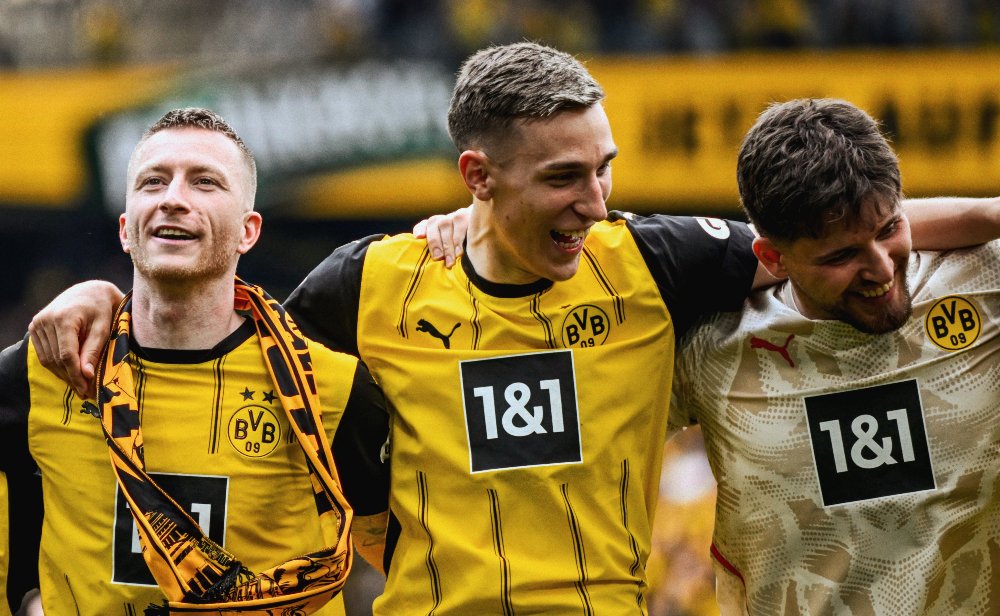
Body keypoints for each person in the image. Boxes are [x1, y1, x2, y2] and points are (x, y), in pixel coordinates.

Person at [24, 45, 997, 613]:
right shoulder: (368, 283)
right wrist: (103, 298)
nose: (598, 201)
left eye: (604, 168)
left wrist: (978, 217)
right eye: (565, 179)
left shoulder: (654, 261)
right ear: (478, 180)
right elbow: (221, 336)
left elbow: (823, 238)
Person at [0, 108, 390, 615]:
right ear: (125, 228)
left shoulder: (330, 390)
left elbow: (418, 557)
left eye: (205, 182)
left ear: (249, 231)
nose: (173, 198)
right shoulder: (43, 372)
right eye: (153, 181)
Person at [669, 98, 1000, 614]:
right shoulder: (710, 348)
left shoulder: (986, 283)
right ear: (772, 258)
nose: (880, 270)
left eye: (889, 229)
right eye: (841, 256)